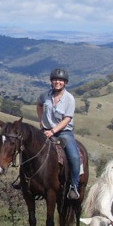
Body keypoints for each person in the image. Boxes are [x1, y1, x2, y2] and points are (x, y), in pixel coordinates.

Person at [37, 68, 81, 199]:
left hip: (63, 132)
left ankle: (74, 186)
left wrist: (53, 131)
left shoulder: (69, 99)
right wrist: (41, 121)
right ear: (51, 81)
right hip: (45, 131)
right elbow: (39, 105)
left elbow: (67, 119)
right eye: (55, 79)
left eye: (60, 80)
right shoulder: (45, 95)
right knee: (26, 148)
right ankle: (23, 180)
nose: (57, 82)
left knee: (74, 157)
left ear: (65, 82)